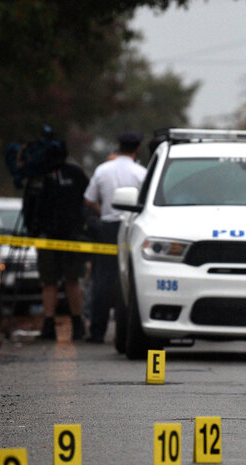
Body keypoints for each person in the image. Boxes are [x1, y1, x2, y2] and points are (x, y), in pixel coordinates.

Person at [21, 134, 90, 341]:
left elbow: (85, 202)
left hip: (69, 237)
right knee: (53, 282)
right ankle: (50, 325)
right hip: (50, 237)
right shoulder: (41, 177)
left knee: (69, 281)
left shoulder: (73, 174)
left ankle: (75, 325)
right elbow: (29, 206)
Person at [83, 131, 147, 343]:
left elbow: (89, 199)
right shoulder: (141, 173)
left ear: (118, 146)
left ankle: (97, 331)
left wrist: (103, 210)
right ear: (137, 149)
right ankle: (129, 330)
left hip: (108, 228)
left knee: (103, 280)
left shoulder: (103, 170)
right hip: (132, 227)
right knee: (131, 278)